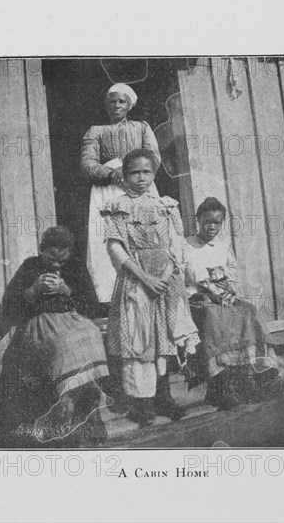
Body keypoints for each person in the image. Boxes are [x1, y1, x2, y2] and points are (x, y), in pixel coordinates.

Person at [101, 149, 200, 426]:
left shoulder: (165, 206)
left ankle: (164, 397)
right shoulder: (117, 206)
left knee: (165, 338)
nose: (141, 177)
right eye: (134, 172)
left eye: (146, 172)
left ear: (153, 174)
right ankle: (141, 403)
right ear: (124, 175)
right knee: (139, 338)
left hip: (166, 280)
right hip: (136, 280)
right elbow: (116, 248)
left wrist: (166, 276)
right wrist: (145, 278)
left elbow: (175, 245)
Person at [0, 226, 109, 448]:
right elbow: (10, 306)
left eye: (63, 257)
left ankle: (89, 411)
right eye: (52, 257)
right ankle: (66, 409)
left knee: (91, 335)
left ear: (69, 252)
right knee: (63, 343)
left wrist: (67, 289)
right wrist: (33, 289)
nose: (57, 262)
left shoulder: (76, 266)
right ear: (43, 250)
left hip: (73, 322)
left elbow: (92, 307)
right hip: (39, 326)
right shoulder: (30, 266)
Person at [185, 197, 279, 410]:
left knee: (248, 309)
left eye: (217, 222)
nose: (212, 227)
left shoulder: (222, 246)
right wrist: (211, 290)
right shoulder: (187, 245)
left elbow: (232, 274)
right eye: (207, 221)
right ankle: (220, 382)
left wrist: (228, 290)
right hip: (196, 298)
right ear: (198, 219)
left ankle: (252, 373)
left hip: (222, 296)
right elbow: (188, 275)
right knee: (214, 315)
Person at [81, 83, 161, 308]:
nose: (117, 105)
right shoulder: (95, 131)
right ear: (106, 105)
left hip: (138, 184)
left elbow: (153, 156)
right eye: (112, 101)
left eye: (122, 101)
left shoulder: (142, 128)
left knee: (144, 234)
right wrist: (110, 173)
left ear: (129, 105)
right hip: (107, 190)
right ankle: (114, 298)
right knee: (108, 240)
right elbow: (87, 164)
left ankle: (149, 289)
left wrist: (130, 170)